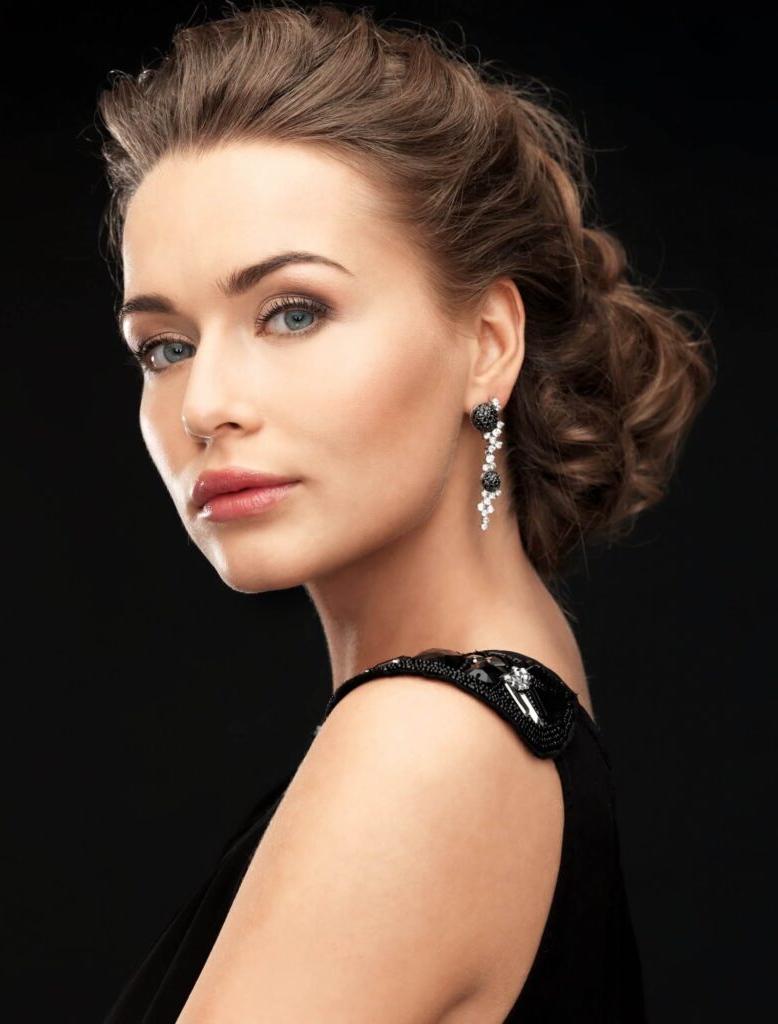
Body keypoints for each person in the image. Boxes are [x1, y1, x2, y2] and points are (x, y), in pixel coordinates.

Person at [95, 2, 715, 1020]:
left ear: (486, 343)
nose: (204, 405)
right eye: (165, 346)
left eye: (292, 312)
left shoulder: (427, 742)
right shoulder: (514, 695)